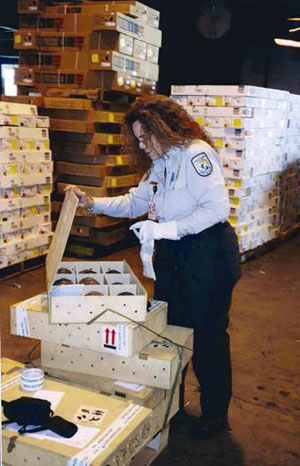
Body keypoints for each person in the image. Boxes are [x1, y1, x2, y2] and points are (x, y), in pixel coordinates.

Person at [65, 95, 241, 439]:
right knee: (170, 335)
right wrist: (93, 203)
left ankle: (215, 415)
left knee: (207, 338)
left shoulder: (195, 155)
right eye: (138, 139)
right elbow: (137, 201)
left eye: (146, 137)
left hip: (207, 256)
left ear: (166, 128)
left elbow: (217, 209)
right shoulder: (160, 162)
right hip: (174, 258)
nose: (142, 145)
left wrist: (165, 230)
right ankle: (170, 405)